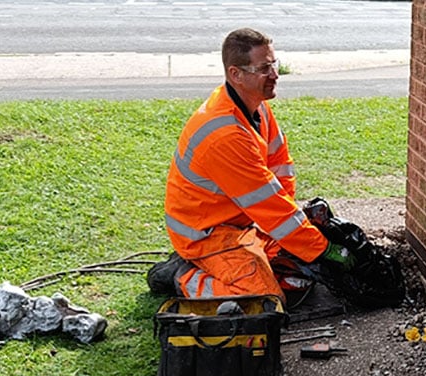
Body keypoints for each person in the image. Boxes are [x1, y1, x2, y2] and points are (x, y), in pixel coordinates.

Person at [148, 28, 353, 302]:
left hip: (242, 224)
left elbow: (280, 170)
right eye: (264, 68)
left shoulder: (256, 107)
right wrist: (320, 248)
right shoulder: (225, 135)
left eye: (274, 64)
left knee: (295, 276)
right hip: (207, 236)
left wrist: (291, 228)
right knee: (265, 300)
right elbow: (267, 203)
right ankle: (182, 276)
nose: (275, 75)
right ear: (236, 74)